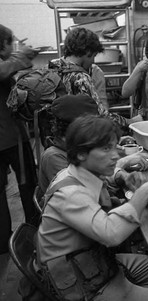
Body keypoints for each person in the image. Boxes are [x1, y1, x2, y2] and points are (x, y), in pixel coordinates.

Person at [36, 115, 148, 300]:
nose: (116, 155)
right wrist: (143, 194)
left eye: (115, 146)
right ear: (82, 153)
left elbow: (106, 175)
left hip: (97, 260)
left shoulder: (77, 171)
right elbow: (111, 234)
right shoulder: (70, 194)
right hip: (82, 281)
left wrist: (122, 176)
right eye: (106, 149)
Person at [37, 94, 148, 199]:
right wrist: (123, 162)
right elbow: (88, 193)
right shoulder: (53, 157)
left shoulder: (77, 150)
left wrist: (119, 175)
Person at [50, 27, 140, 129]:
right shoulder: (80, 77)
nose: (93, 61)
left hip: (53, 136)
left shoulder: (53, 66)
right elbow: (100, 115)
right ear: (87, 51)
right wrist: (130, 121)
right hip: (76, 135)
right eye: (93, 56)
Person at [0, 24, 39, 254]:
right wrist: (22, 55)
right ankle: (33, 233)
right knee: (27, 185)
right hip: (11, 138)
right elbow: (6, 69)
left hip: (9, 136)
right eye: (10, 43)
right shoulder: (5, 65)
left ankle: (7, 241)